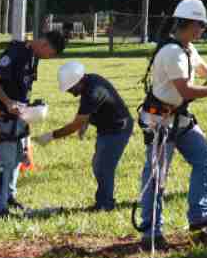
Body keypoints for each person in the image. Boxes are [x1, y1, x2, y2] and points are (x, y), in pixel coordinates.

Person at [137, 0, 207, 250]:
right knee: (157, 177)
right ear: (187, 24)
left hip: (180, 118)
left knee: (205, 159)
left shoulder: (188, 49)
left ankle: (199, 217)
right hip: (159, 120)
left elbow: (205, 72)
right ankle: (150, 233)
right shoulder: (171, 52)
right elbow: (186, 91)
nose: (202, 30)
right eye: (200, 25)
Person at [0, 29, 66, 219]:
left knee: (16, 159)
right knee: (4, 162)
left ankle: (10, 197)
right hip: (2, 114)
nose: (49, 58)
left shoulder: (33, 56)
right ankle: (0, 209)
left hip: (19, 117)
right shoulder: (17, 51)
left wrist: (32, 106)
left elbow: (22, 86)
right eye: (50, 54)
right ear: (45, 45)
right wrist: (8, 102)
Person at [32, 61, 133, 211]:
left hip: (117, 129)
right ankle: (104, 201)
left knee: (104, 167)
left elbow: (74, 125)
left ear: (78, 81)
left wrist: (51, 136)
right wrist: (85, 123)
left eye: (70, 88)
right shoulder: (90, 81)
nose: (70, 92)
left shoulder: (93, 91)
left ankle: (104, 205)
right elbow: (90, 109)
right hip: (107, 128)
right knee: (99, 165)